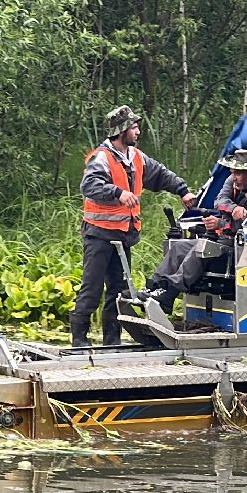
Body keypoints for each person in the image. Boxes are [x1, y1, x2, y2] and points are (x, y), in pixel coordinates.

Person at [71, 105, 195, 348]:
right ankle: (79, 341)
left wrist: (183, 190)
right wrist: (118, 193)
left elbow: (161, 174)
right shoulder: (102, 158)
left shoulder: (136, 157)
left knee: (119, 291)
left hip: (123, 236)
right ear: (122, 131)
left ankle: (112, 341)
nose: (138, 131)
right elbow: (89, 186)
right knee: (92, 287)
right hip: (98, 234)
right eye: (135, 127)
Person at [143, 148, 247, 317]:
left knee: (202, 249)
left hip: (240, 249)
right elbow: (220, 201)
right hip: (222, 240)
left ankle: (170, 293)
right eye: (233, 172)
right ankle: (155, 287)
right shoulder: (233, 180)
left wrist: (220, 222)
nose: (234, 177)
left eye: (239, 173)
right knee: (179, 247)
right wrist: (232, 211)